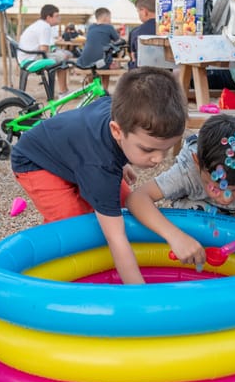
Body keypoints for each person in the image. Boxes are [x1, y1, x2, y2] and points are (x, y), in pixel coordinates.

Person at [11, 67, 187, 284]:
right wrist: (141, 296)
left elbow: (96, 123)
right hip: (37, 161)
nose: (159, 159)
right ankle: (53, 270)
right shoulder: (100, 168)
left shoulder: (121, 112)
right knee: (72, 222)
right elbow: (116, 238)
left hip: (79, 156)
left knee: (123, 205)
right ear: (117, 132)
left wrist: (122, 161)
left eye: (166, 149)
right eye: (148, 150)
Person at [126, 114, 235, 269]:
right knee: (180, 218)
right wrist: (175, 237)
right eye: (216, 187)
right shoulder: (188, 170)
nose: (225, 199)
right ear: (197, 162)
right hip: (195, 220)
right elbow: (137, 198)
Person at [17, 4, 73, 97]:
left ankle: (64, 90)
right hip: (31, 59)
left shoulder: (39, 25)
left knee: (62, 55)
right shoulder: (45, 27)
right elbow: (44, 50)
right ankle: (63, 92)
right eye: (56, 16)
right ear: (48, 17)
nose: (59, 18)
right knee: (64, 57)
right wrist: (59, 54)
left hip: (25, 57)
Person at [78, 7, 126, 90]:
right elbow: (118, 41)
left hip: (85, 62)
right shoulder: (109, 27)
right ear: (106, 18)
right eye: (110, 18)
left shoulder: (90, 27)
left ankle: (91, 89)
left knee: (93, 66)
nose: (110, 20)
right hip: (101, 62)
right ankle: (105, 90)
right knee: (106, 62)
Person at [128, 0, 158, 67]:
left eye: (138, 11)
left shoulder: (136, 32)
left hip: (142, 76)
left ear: (144, 11)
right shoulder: (170, 30)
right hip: (169, 77)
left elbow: (133, 58)